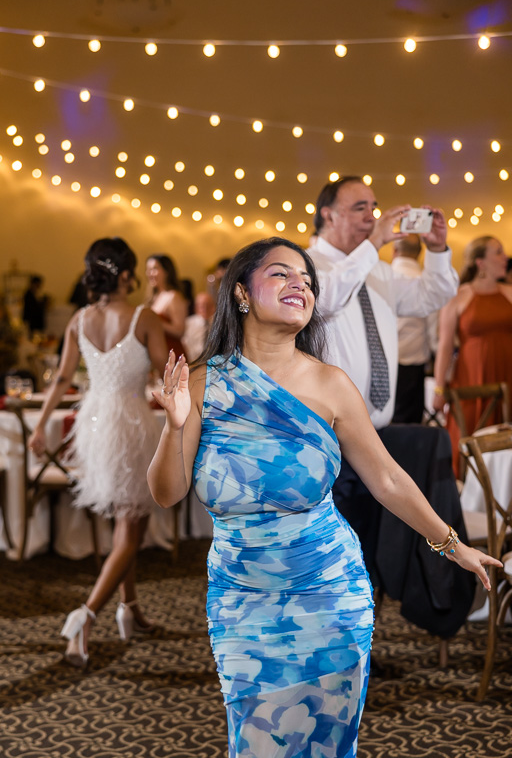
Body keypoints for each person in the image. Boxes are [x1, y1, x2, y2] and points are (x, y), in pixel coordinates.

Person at [147, 237, 498, 758]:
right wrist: (175, 427)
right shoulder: (202, 384)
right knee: (256, 744)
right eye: (282, 275)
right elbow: (167, 493)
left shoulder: (331, 385)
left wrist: (452, 544)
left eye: (308, 281)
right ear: (241, 293)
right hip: (243, 600)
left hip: (330, 593)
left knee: (330, 743)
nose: (301, 286)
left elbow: (387, 479)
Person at [307, 177, 459, 581]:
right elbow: (326, 299)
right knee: (335, 554)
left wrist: (438, 249)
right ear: (328, 215)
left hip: (378, 435)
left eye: (374, 206)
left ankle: (365, 629)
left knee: (372, 548)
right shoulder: (305, 265)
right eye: (360, 208)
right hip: (330, 438)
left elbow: (434, 295)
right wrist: (371, 244)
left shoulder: (380, 271)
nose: (372, 216)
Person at [28, 237, 168, 668]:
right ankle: (85, 617)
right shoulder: (144, 317)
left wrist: (39, 425)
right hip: (130, 423)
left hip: (94, 424)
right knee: (132, 531)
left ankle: (131, 609)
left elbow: (61, 378)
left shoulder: (80, 318)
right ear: (125, 274)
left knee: (122, 522)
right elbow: (166, 373)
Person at [433, 235, 512, 477]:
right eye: (498, 252)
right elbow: (445, 346)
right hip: (471, 376)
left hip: (507, 374)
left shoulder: (509, 293)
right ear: (481, 263)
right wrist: (439, 388)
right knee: (468, 431)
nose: (505, 258)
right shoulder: (459, 296)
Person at [391, 234, 439, 424]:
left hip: (379, 361)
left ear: (394, 251)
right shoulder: (426, 283)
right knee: (409, 423)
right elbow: (433, 331)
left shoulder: (379, 278)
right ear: (419, 253)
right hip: (412, 364)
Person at [145, 253, 188, 358]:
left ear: (167, 272)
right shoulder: (153, 298)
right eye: (148, 269)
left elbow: (180, 331)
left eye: (154, 269)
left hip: (172, 354)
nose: (150, 273)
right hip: (158, 354)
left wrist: (155, 322)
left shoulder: (173, 296)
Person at [181, 292, 216, 362]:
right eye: (202, 306)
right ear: (196, 308)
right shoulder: (188, 324)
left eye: (208, 305)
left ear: (214, 306)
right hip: (193, 362)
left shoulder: (219, 324)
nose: (205, 309)